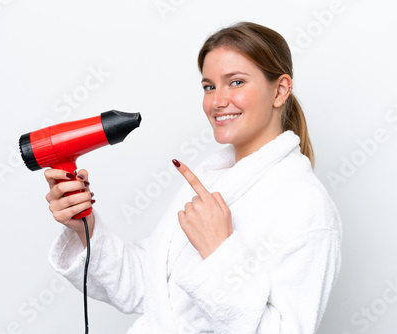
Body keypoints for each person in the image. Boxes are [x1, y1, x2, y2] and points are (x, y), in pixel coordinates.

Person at [45, 22, 342, 334]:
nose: (217, 101)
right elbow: (149, 289)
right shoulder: (214, 180)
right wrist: (86, 230)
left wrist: (219, 252)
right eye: (209, 86)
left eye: (236, 82)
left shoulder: (305, 205)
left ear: (280, 90)